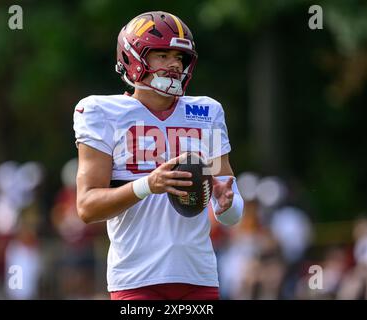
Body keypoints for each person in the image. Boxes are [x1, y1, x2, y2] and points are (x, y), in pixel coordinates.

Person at [73, 11, 244, 300]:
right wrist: (148, 185)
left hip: (198, 275)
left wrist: (226, 204)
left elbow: (232, 212)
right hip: (136, 278)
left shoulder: (206, 112)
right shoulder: (102, 112)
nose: (175, 64)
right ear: (134, 58)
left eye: (179, 56)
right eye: (162, 55)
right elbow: (87, 207)